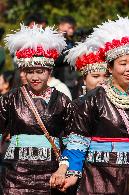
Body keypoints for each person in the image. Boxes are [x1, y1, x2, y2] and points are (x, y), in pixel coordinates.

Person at [50, 16, 129, 194]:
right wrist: (71, 173)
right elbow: (78, 142)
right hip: (99, 177)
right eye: (123, 63)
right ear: (110, 68)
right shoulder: (91, 100)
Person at [1, 24, 69, 194]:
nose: (35, 77)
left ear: (49, 71)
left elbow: (71, 139)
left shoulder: (62, 100)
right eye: (30, 71)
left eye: (40, 71)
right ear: (24, 72)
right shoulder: (10, 98)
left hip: (51, 175)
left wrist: (63, 169)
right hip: (15, 175)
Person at [54, 16, 78, 98]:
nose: (72, 30)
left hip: (71, 79)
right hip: (59, 78)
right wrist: (71, 54)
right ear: (61, 26)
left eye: (73, 28)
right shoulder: (54, 41)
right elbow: (54, 59)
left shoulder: (70, 41)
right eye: (69, 28)